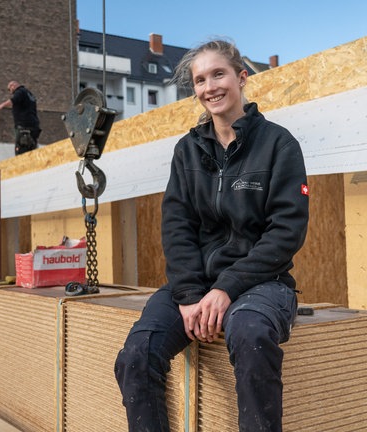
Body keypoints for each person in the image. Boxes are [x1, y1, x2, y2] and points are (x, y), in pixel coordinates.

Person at [113, 39, 310, 432]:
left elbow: (286, 230)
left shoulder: (278, 145)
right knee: (136, 354)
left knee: (251, 335)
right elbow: (176, 226)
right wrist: (188, 296)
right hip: (196, 282)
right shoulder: (186, 152)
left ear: (241, 77)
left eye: (218, 74)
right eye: (200, 80)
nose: (209, 87)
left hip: (263, 283)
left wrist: (227, 288)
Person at [0, 80, 41, 155]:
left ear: (13, 85)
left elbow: (13, 100)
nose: (10, 92)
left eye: (9, 89)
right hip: (34, 126)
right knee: (31, 150)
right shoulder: (30, 94)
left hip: (24, 126)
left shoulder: (20, 92)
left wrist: (0, 106)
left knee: (20, 151)